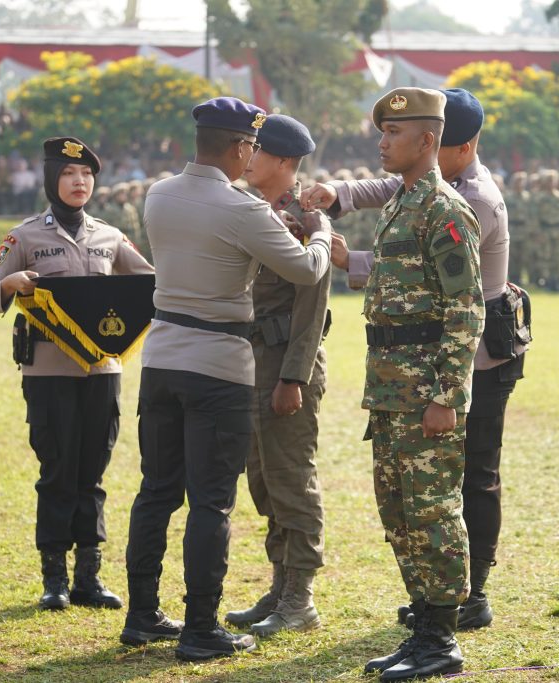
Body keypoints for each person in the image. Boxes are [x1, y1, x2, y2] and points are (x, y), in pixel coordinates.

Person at [303, 88, 527, 639]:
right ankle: (430, 614)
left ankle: (451, 618)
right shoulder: (411, 195)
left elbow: (461, 306)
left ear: (442, 143)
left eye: (394, 134)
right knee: (404, 508)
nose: (382, 143)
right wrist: (339, 195)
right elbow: (389, 189)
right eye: (382, 132)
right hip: (400, 382)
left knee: (447, 498)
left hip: (454, 371)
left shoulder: (462, 203)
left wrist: (447, 395)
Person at [119, 97, 331, 662]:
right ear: (240, 147)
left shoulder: (158, 193)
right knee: (211, 503)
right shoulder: (243, 208)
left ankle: (141, 616)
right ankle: (200, 627)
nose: (251, 155)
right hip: (218, 365)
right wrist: (321, 229)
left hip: (161, 358)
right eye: (249, 146)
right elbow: (309, 267)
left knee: (156, 492)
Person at [0, 136, 154, 612]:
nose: (80, 182)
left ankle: (88, 580)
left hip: (102, 370)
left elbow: (148, 283)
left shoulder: (110, 237)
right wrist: (11, 284)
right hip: (48, 371)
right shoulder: (25, 237)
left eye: (87, 175)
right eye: (70, 175)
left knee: (93, 471)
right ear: (52, 181)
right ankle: (53, 578)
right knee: (57, 469)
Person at [222, 114, 330, 638]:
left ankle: (300, 597)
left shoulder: (306, 217)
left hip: (288, 360)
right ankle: (280, 583)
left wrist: (294, 377)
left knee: (291, 477)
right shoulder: (247, 209)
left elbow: (313, 306)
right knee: (262, 479)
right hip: (251, 358)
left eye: (257, 150)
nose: (248, 156)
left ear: (284, 162)